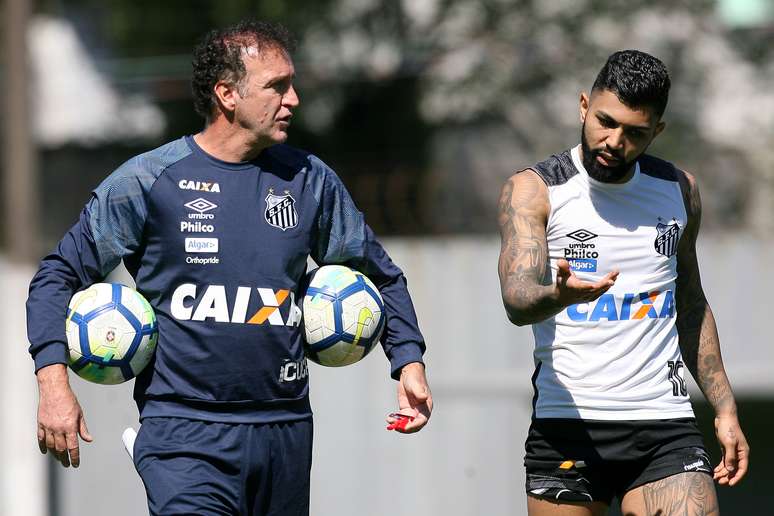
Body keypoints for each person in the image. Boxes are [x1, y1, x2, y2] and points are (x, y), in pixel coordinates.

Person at [28, 19, 432, 515]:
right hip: (184, 433)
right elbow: (56, 275)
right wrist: (52, 385)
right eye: (277, 86)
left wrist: (408, 360)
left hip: (284, 428)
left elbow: (382, 275)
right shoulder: (150, 180)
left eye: (292, 83)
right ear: (227, 94)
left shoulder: (308, 180)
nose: (294, 99)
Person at [497, 50, 748, 515]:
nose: (614, 141)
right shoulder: (534, 190)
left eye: (634, 132)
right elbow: (516, 299)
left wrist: (726, 408)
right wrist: (558, 295)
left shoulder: (679, 190)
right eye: (605, 122)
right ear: (583, 107)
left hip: (663, 426)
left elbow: (689, 303)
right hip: (567, 426)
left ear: (657, 131)